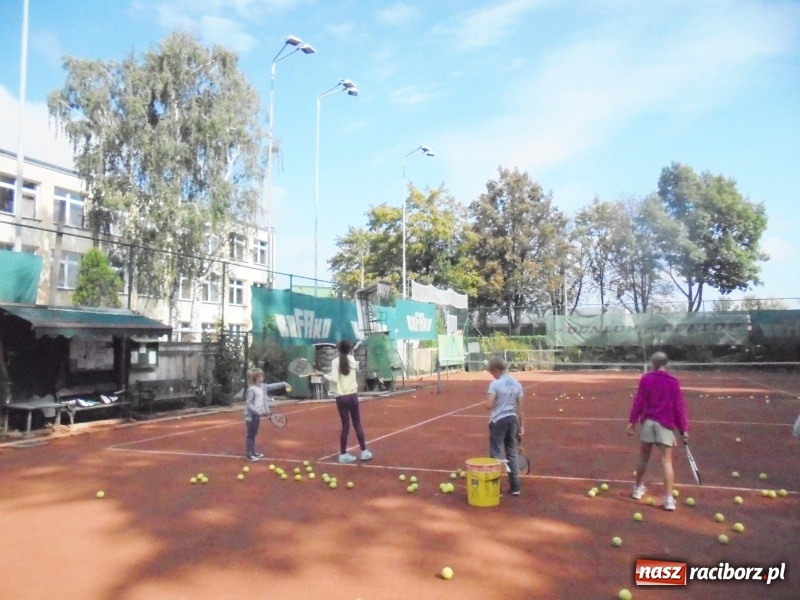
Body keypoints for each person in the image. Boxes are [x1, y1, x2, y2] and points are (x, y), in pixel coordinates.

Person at [627, 351, 689, 511]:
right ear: (666, 364)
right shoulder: (673, 382)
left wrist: (632, 422)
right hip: (665, 424)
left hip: (648, 422)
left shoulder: (646, 379)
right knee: (666, 461)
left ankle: (637, 489)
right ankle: (668, 499)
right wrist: (684, 430)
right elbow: (679, 408)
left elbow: (638, 401)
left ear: (652, 364)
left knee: (643, 457)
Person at [319, 340, 372, 463]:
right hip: (352, 396)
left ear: (338, 349)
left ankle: (343, 454)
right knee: (357, 424)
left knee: (345, 426)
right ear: (349, 349)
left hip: (341, 398)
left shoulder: (335, 362)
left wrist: (323, 375)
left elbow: (335, 379)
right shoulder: (352, 360)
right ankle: (364, 451)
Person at [485, 357, 524, 496]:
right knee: (511, 452)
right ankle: (515, 487)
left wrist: (495, 402)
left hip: (498, 421)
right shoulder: (517, 384)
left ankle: (496, 489)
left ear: (497, 370)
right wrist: (522, 426)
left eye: (492, 373)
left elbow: (488, 405)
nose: (492, 376)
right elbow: (520, 408)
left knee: (495, 453)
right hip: (513, 420)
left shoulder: (495, 384)